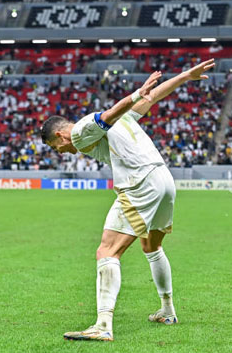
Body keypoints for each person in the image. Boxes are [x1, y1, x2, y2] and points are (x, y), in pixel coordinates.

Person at [40, 59, 215, 341]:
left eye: (56, 147)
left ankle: (103, 325)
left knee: (107, 251)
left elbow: (107, 115)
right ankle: (167, 310)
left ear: (60, 134)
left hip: (139, 182)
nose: (61, 152)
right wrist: (184, 76)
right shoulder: (123, 120)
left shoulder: (79, 131)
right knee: (151, 246)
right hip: (163, 179)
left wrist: (134, 94)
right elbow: (152, 97)